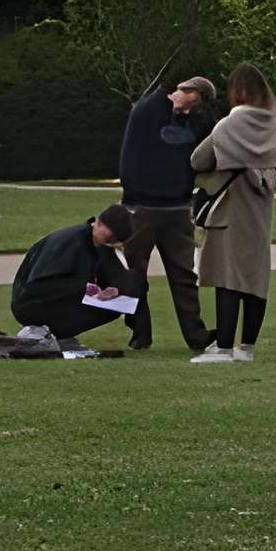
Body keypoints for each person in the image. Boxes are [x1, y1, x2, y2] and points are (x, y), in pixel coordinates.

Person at [191, 63, 276, 364]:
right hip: (260, 211)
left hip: (231, 209)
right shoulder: (272, 124)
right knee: (255, 278)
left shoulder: (229, 125)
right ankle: (247, 347)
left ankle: (222, 347)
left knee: (227, 276)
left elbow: (198, 159)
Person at [113, 73, 216, 354]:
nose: (187, 110)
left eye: (194, 107)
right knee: (135, 273)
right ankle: (139, 330)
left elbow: (205, 146)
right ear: (183, 89)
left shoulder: (195, 121)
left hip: (178, 209)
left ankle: (196, 335)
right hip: (141, 207)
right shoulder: (146, 110)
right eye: (189, 103)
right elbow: (129, 159)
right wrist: (135, 194)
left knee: (184, 275)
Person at [8, 205, 138, 351]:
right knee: (101, 307)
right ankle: (42, 332)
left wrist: (115, 289)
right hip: (30, 304)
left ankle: (56, 334)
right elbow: (39, 285)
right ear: (99, 223)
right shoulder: (70, 241)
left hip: (57, 298)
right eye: (112, 238)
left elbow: (119, 276)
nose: (113, 243)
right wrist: (89, 289)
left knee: (113, 307)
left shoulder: (98, 244)